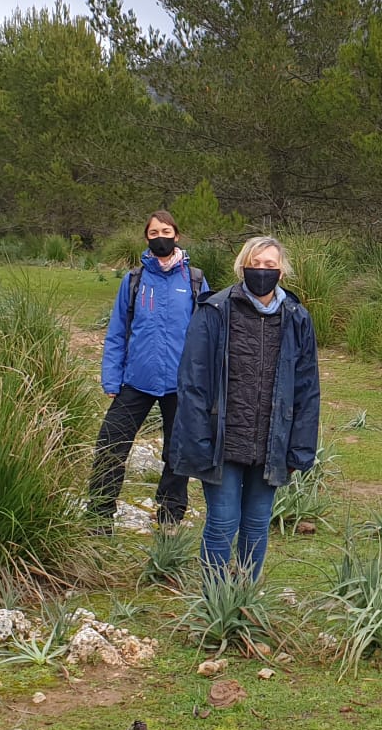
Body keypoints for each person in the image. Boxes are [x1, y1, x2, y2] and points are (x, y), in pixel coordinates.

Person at [172, 236, 321, 578]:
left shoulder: (297, 318)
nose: (263, 271)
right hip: (221, 441)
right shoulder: (214, 311)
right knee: (223, 522)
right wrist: (198, 441)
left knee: (256, 526)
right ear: (242, 267)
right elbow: (192, 382)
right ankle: (215, 603)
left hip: (272, 441)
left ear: (282, 272)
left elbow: (307, 389)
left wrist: (299, 449)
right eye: (256, 263)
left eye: (271, 265)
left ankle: (244, 599)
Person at [89, 209, 208, 533]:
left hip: (179, 384)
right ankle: (99, 516)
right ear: (146, 238)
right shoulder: (134, 280)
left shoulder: (195, 280)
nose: (160, 238)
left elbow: (206, 335)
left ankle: (170, 515)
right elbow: (117, 332)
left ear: (177, 236)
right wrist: (111, 378)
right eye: (154, 233)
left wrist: (203, 382)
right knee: (110, 445)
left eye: (166, 232)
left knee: (177, 452)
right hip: (137, 381)